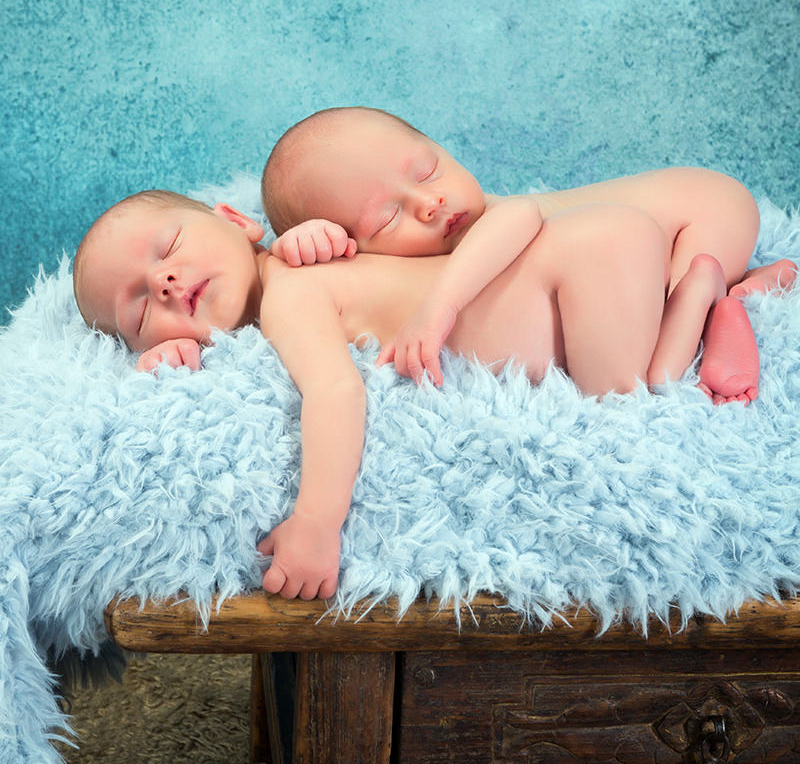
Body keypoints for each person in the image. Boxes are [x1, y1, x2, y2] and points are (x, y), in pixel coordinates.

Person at [74, 189, 713, 600]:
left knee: (633, 401)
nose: (162, 280)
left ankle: (704, 295)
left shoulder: (293, 295)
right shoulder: (294, 280)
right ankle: (707, 295)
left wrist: (317, 524)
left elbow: (336, 393)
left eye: (168, 249)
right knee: (638, 379)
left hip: (581, 266)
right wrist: (178, 354)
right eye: (138, 310)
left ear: (239, 222)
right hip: (591, 250)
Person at [261, 106, 796, 403]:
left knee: (656, 364)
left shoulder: (493, 218)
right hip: (652, 240)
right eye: (387, 218)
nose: (431, 203)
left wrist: (439, 306)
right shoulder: (380, 264)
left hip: (703, 214)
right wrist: (305, 244)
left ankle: (713, 291)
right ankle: (731, 285)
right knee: (642, 301)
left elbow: (518, 218)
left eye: (427, 171)